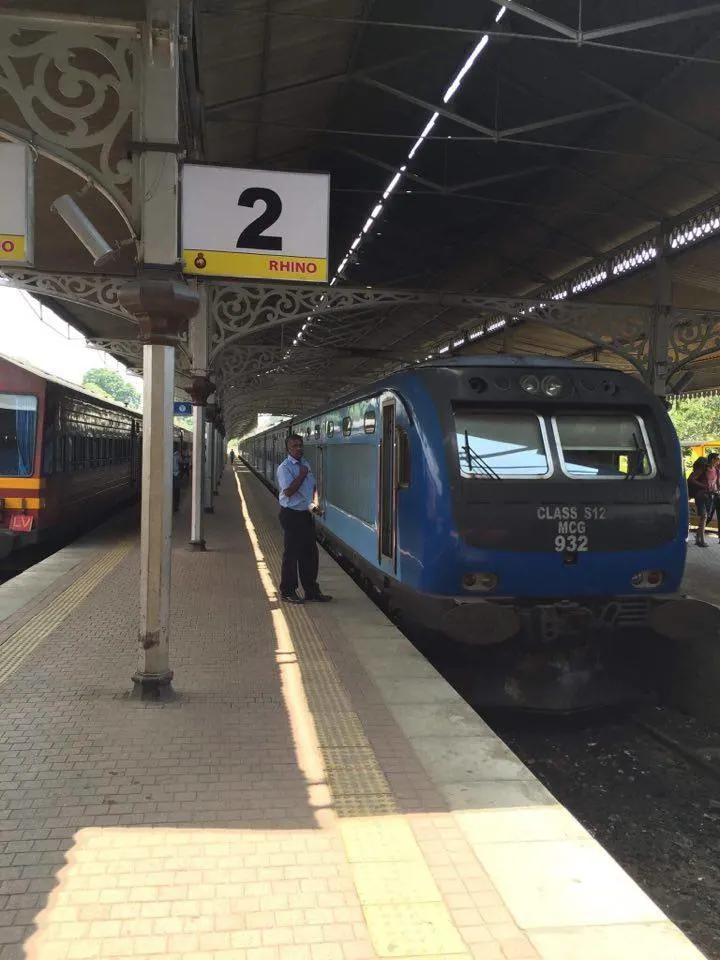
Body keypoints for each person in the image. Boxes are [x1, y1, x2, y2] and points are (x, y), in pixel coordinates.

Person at [276, 434, 332, 604]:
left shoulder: (305, 464)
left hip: (305, 514)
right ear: (288, 449)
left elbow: (311, 488)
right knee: (291, 554)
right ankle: (287, 591)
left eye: (300, 445)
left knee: (310, 554)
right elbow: (288, 492)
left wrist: (314, 505)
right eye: (294, 446)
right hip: (291, 514)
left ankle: (311, 591)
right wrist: (301, 475)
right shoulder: (284, 468)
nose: (299, 448)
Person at [688, 456, 711, 546]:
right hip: (697, 495)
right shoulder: (700, 470)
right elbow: (691, 480)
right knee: (704, 517)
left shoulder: (700, 471)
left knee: (704, 517)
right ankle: (700, 540)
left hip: (695, 495)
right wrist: (703, 486)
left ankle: (699, 538)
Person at [172, 447, 181, 514]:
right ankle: (175, 507)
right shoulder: (177, 455)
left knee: (172, 491)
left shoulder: (169, 455)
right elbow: (181, 462)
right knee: (176, 491)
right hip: (176, 474)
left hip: (170, 475)